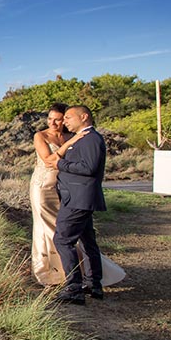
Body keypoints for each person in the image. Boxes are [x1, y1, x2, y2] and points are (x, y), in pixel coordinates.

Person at [30, 104, 125, 290]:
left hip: (70, 190)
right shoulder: (42, 136)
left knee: (66, 232)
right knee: (49, 230)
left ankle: (77, 278)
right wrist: (69, 144)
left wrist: (72, 141)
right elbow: (50, 161)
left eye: (59, 118)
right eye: (50, 119)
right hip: (43, 188)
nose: (54, 122)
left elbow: (86, 165)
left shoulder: (79, 137)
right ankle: (52, 273)